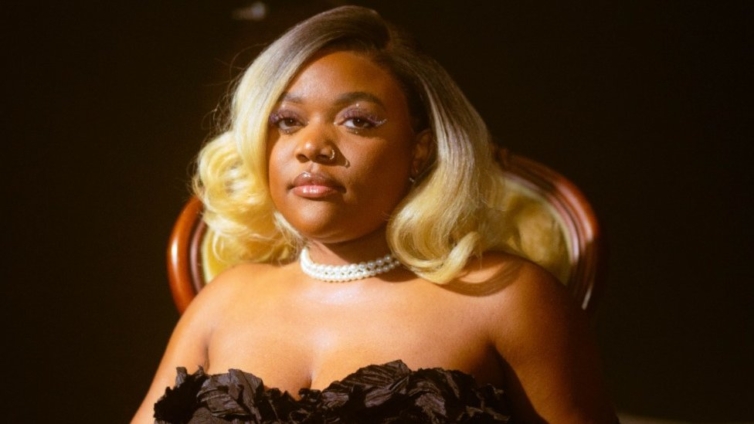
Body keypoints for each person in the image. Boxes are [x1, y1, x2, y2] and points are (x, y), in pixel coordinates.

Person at [133, 6, 616, 423]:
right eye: (287, 121)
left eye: (357, 121)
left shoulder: (507, 298)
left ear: (420, 150)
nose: (311, 146)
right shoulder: (224, 299)